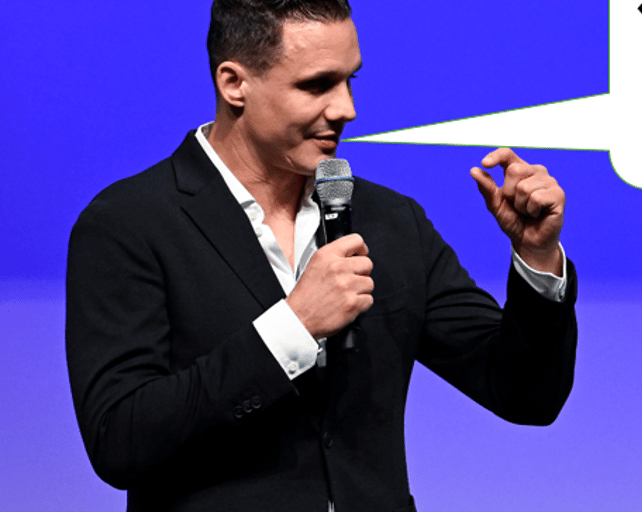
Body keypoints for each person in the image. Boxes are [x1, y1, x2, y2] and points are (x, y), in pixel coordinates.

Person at [65, 1, 577, 511]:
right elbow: (119, 438)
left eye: (350, 80)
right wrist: (294, 325)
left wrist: (536, 256)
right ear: (234, 84)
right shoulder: (130, 223)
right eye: (317, 85)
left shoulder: (392, 221)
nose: (346, 109)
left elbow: (527, 395)